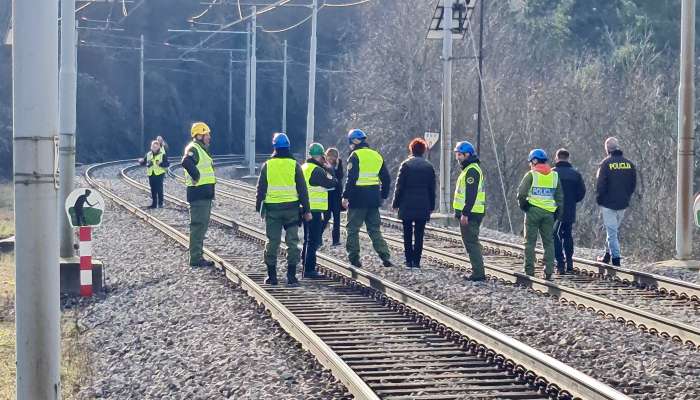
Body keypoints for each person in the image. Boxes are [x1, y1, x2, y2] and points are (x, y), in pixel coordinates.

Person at [256, 133, 311, 286]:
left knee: (272, 242)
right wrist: (307, 210)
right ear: (288, 147)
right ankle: (291, 276)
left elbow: (261, 188)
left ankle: (272, 277)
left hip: (273, 210)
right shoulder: (294, 166)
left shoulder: (267, 165)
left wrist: (258, 207)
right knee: (292, 242)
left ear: (274, 147)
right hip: (292, 210)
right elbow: (302, 190)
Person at [342, 129, 393, 268]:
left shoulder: (354, 155)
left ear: (354, 141)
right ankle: (385, 256)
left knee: (353, 229)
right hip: (373, 199)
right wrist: (382, 195)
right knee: (374, 229)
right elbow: (386, 178)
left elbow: (351, 179)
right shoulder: (377, 155)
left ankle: (354, 258)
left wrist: (345, 196)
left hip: (358, 199)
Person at [517, 149, 563, 280]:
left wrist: (524, 206)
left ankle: (529, 271)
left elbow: (521, 194)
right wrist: (557, 213)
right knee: (548, 243)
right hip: (549, 213)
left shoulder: (531, 175)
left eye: (531, 162)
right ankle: (548, 271)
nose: (530, 164)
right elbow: (560, 197)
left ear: (534, 161)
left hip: (533, 212)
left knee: (529, 243)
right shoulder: (554, 176)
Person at [391, 138, 436, 268]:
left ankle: (408, 260)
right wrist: (432, 206)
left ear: (411, 149)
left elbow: (399, 186)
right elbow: (432, 189)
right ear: (423, 151)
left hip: (407, 204)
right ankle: (417, 261)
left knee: (407, 232)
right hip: (423, 204)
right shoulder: (429, 167)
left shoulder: (405, 165)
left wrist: (395, 203)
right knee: (419, 234)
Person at [595, 137, 636, 266]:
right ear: (618, 147)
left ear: (607, 149)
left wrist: (600, 199)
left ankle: (616, 259)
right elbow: (633, 184)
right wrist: (627, 196)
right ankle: (607, 255)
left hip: (608, 204)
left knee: (612, 232)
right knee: (613, 230)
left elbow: (600, 184)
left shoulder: (606, 164)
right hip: (623, 203)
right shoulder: (629, 164)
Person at [181, 122, 216, 268]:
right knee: (198, 226)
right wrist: (196, 176)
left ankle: (198, 255)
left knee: (202, 226)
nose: (209, 137)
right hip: (199, 193)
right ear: (199, 135)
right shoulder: (194, 148)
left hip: (204, 194)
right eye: (206, 134)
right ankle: (195, 258)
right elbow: (186, 162)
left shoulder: (201, 149)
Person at [301, 143, 337, 279]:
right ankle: (309, 269)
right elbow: (333, 183)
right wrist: (330, 169)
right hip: (315, 209)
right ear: (321, 156)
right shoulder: (317, 170)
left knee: (307, 239)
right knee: (313, 240)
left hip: (304, 208)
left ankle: (305, 264)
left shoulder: (304, 167)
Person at [452, 141, 486, 281]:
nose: (458, 157)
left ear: (468, 155)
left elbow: (471, 194)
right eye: (457, 154)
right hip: (472, 212)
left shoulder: (472, 170)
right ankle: (478, 271)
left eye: (460, 154)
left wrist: (465, 213)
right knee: (471, 241)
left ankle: (478, 274)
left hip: (471, 214)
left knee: (471, 242)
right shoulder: (470, 169)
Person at [552, 148, 586, 274]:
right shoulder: (576, 174)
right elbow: (582, 192)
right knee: (567, 235)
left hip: (554, 209)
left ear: (557, 158)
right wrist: (572, 201)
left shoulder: (552, 173)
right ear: (568, 158)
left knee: (555, 235)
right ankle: (570, 262)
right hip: (570, 209)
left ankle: (560, 264)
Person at [322, 147, 344, 246]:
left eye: (334, 157)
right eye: (330, 156)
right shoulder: (322, 164)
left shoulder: (339, 164)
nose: (331, 159)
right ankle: (318, 238)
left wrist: (336, 167)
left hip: (336, 194)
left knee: (337, 217)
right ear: (326, 156)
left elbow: (340, 176)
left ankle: (336, 240)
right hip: (326, 194)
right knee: (325, 217)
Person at [139, 139, 169, 208]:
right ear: (151, 147)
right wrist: (141, 162)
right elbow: (144, 162)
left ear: (159, 147)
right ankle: (154, 204)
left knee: (159, 189)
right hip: (151, 174)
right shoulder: (148, 154)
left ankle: (160, 203)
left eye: (156, 147)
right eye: (153, 147)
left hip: (159, 173)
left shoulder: (162, 154)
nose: (154, 148)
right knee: (153, 189)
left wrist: (160, 164)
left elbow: (167, 164)